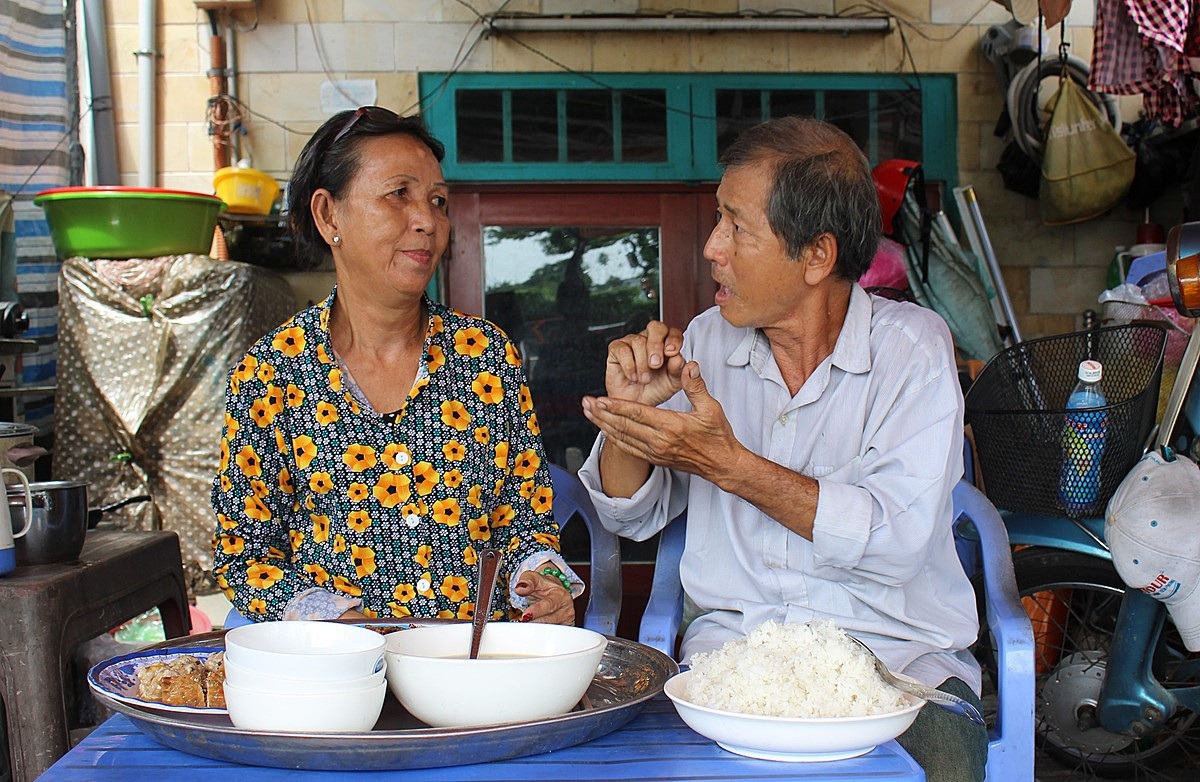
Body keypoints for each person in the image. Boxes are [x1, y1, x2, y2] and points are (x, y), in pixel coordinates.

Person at [577, 116, 987, 782]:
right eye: (719, 220)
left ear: (817, 256)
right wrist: (632, 416)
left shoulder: (912, 351)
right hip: (735, 667)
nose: (712, 248)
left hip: (897, 671)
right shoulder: (707, 342)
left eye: (737, 228)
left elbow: (896, 540)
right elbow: (629, 515)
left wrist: (730, 465)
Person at [211, 107, 580, 626]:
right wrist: (343, 624)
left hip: (471, 668)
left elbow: (525, 519)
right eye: (398, 194)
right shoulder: (271, 372)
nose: (427, 221)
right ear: (329, 215)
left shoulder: (484, 355)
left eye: (437, 201)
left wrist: (544, 583)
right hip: (342, 676)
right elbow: (243, 553)